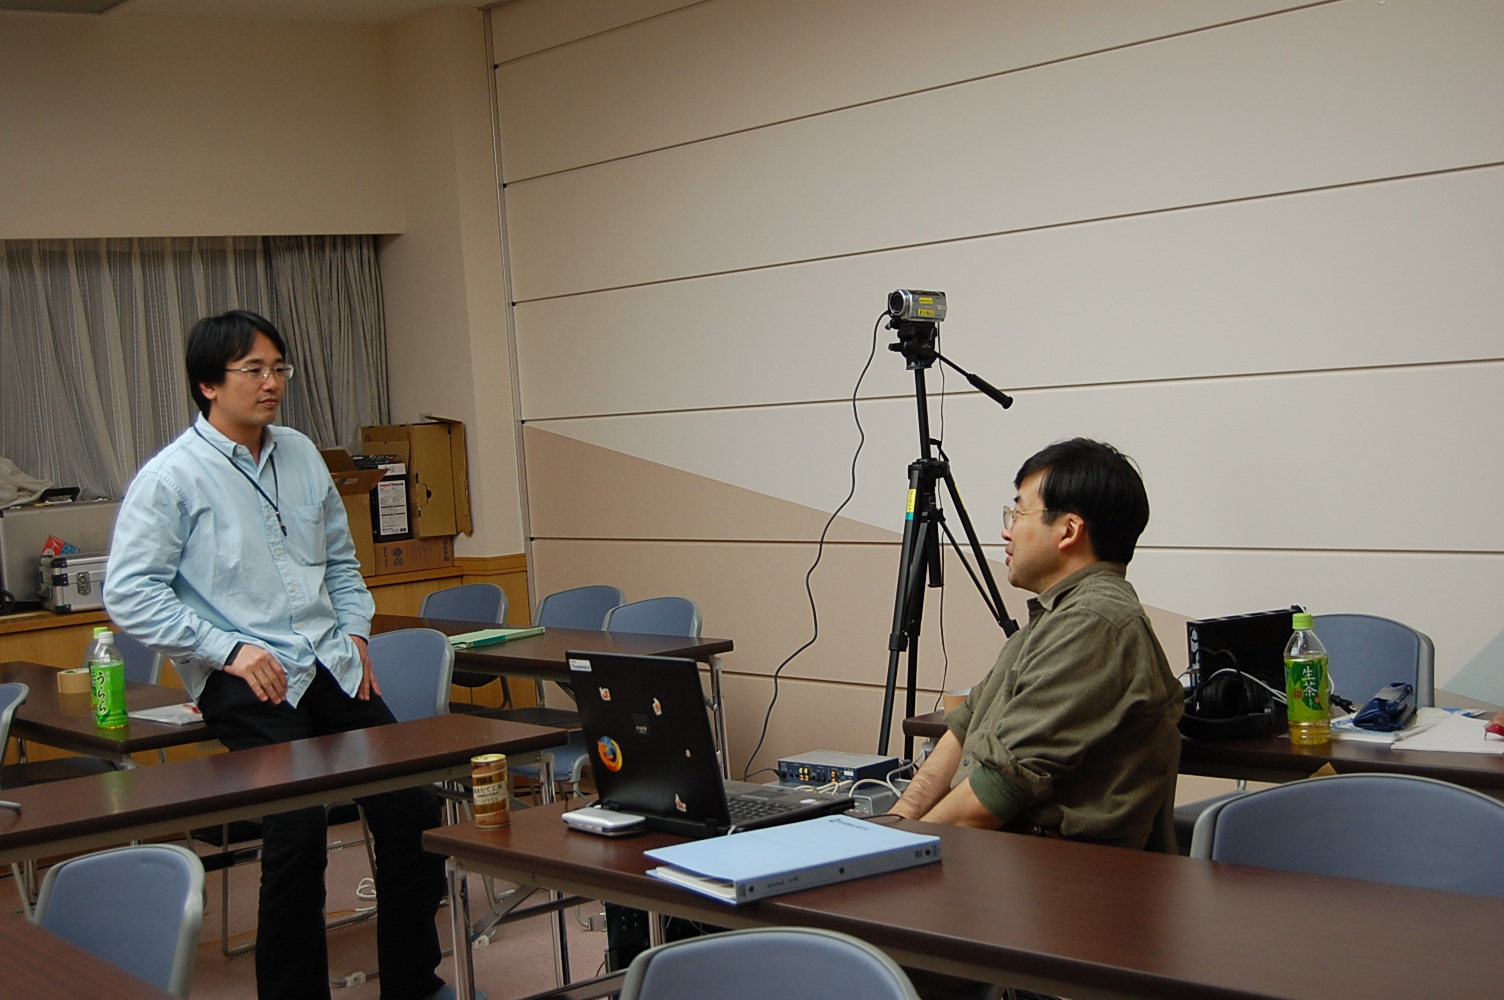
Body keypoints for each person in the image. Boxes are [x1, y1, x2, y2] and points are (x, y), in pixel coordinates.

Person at [105, 310, 451, 1000]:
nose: (272, 383)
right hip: (246, 675)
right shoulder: (172, 477)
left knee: (411, 803)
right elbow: (129, 594)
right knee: (296, 825)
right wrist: (225, 648)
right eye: (253, 370)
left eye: (279, 368)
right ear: (208, 384)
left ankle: (415, 983)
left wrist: (355, 633)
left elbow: (342, 562)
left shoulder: (299, 453)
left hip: (328, 658)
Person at [889, 437, 1183, 848]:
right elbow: (962, 729)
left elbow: (999, 789)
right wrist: (897, 822)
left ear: (1068, 531)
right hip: (1004, 850)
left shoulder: (1094, 623)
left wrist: (902, 850)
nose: (1006, 530)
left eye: (1018, 513)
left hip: (1050, 866)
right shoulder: (1053, 619)